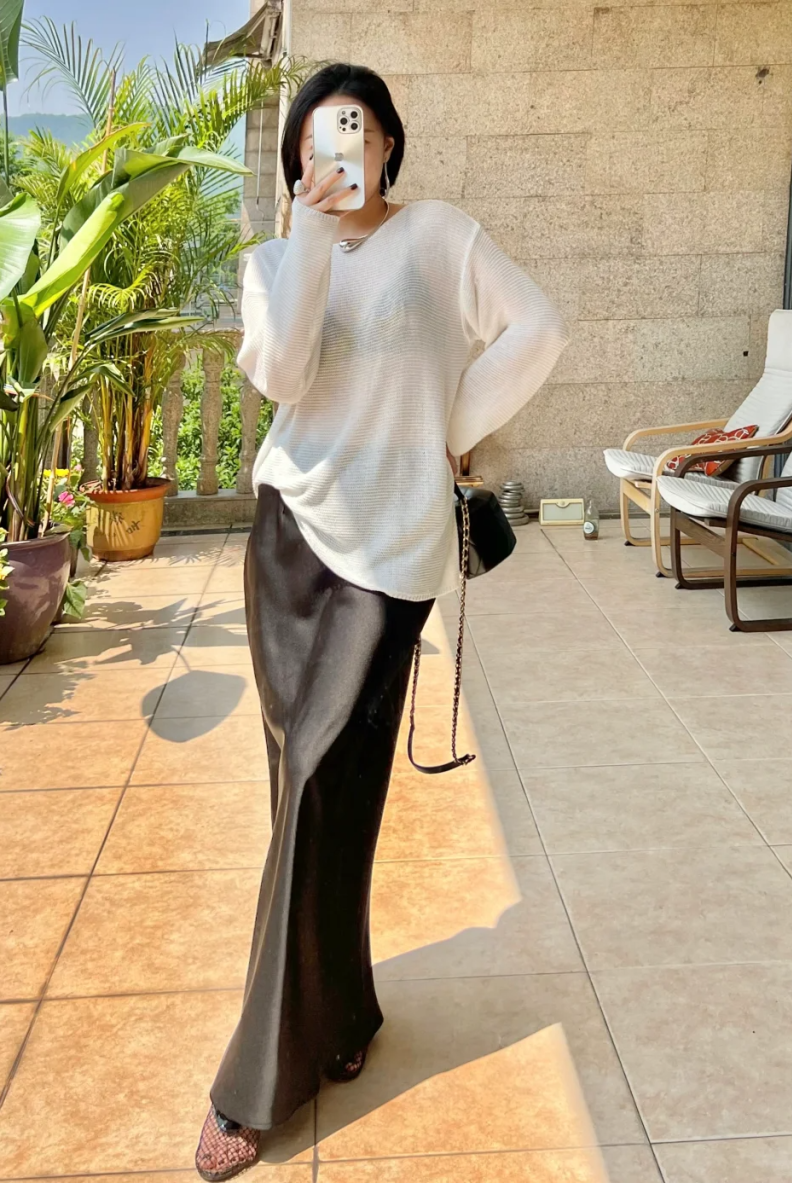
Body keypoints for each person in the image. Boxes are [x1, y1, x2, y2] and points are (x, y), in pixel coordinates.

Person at [195, 62, 570, 1181]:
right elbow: (283, 375)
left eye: (355, 133)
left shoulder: (441, 237)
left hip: (392, 553)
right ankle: (344, 1007)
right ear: (295, 162)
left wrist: (446, 423)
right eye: (317, 141)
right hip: (290, 542)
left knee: (323, 782)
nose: (339, 155)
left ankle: (253, 1083)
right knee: (311, 793)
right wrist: (308, 237)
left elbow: (539, 329)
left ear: (389, 143)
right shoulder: (273, 262)